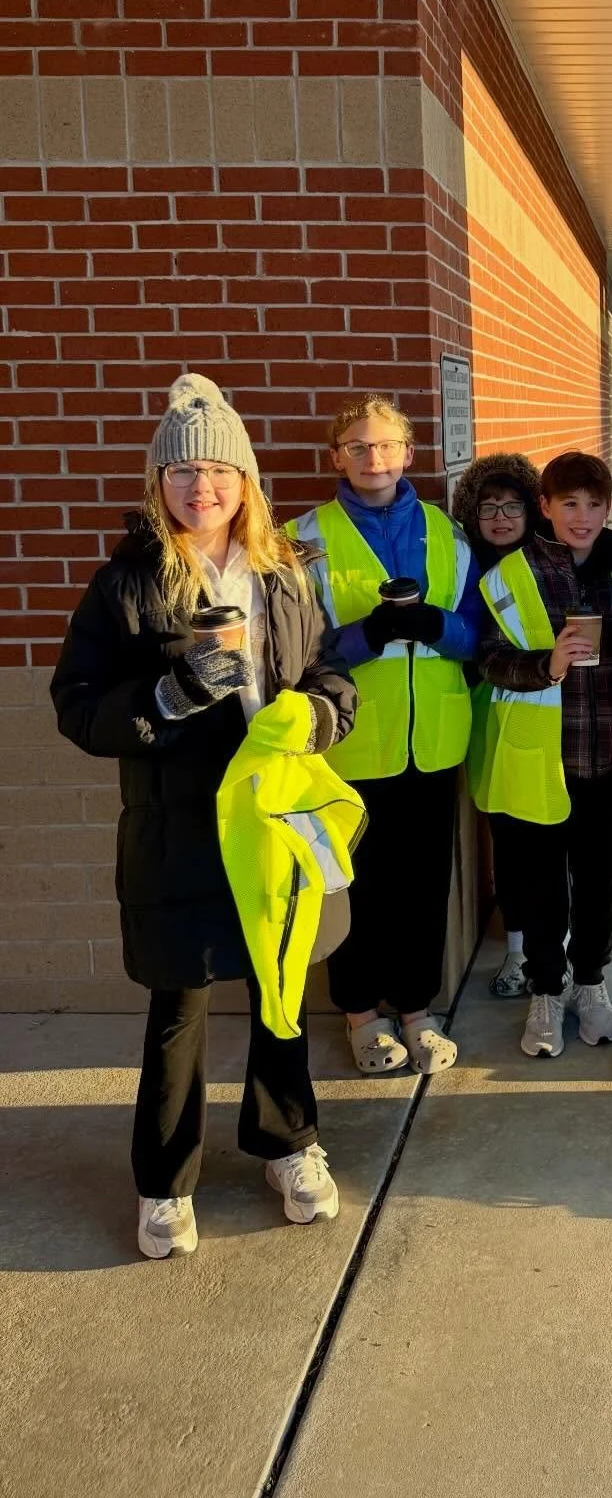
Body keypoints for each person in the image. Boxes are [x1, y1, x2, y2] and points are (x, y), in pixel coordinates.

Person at [51, 374, 356, 1260]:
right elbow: (77, 706)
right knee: (180, 1005)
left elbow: (330, 671)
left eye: (218, 469)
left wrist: (323, 714)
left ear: (247, 480)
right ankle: (165, 1180)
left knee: (281, 990)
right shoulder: (127, 584)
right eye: (181, 471)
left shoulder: (286, 571)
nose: (201, 488)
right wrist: (174, 693)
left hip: (274, 818)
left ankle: (287, 1142)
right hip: (177, 827)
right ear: (159, 484)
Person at [288, 397, 479, 1078]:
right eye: (358, 447)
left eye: (387, 445)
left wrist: (434, 627)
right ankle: (361, 1013)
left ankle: (417, 1009)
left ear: (408, 453)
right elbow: (292, 651)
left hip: (431, 743)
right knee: (354, 887)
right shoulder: (303, 538)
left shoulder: (445, 532)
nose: (375, 459)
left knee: (422, 886)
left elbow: (475, 633)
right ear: (336, 455)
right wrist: (366, 636)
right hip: (348, 746)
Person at [472, 451, 612, 1058]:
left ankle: (590, 983)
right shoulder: (510, 576)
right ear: (545, 507)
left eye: (595, 504)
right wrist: (546, 665)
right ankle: (546, 989)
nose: (583, 517)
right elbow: (488, 658)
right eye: (569, 503)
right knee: (539, 882)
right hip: (538, 755)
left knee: (596, 881)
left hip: (608, 750)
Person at [453, 451, 544, 1000]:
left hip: (547, 722)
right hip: (489, 715)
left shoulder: (552, 564)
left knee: (551, 837)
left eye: (513, 506)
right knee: (507, 836)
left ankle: (551, 942)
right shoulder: (464, 567)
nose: (501, 517)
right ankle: (516, 949)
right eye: (489, 507)